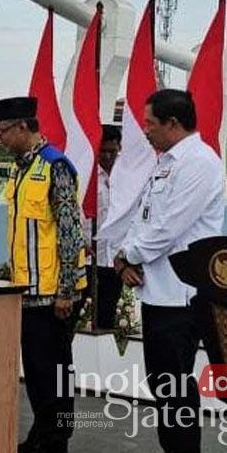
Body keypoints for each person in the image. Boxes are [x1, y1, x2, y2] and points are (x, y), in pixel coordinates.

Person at [115, 89, 225, 453]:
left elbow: (169, 227)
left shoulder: (200, 163)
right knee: (164, 386)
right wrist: (124, 257)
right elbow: (146, 216)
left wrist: (130, 254)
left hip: (181, 294)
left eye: (150, 123)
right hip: (156, 290)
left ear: (173, 124)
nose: (145, 130)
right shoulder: (166, 163)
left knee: (177, 387)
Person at [0, 96, 87, 453]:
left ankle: (56, 444)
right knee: (37, 370)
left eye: (2, 131)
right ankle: (41, 435)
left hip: (53, 294)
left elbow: (69, 231)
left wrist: (66, 290)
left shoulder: (54, 166)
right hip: (27, 290)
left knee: (54, 372)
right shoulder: (20, 170)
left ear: (24, 127)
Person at [91, 124, 124, 329]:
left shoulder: (126, 176)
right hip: (89, 255)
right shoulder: (89, 176)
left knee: (107, 314)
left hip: (114, 258)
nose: (108, 156)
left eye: (112, 151)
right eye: (103, 151)